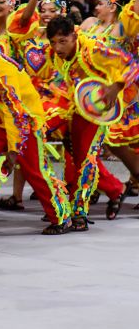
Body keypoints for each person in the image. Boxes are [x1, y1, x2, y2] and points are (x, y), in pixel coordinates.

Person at [0, 36, 71, 237]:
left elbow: (14, 114)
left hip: (25, 119)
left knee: (35, 171)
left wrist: (12, 151)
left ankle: (61, 218)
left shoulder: (2, 73)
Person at [42, 15, 138, 228]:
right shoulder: (55, 53)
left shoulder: (93, 50)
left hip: (100, 108)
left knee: (85, 158)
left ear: (74, 37)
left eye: (62, 41)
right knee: (77, 155)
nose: (57, 47)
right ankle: (115, 189)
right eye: (53, 42)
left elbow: (131, 65)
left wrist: (116, 87)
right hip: (77, 103)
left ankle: (80, 213)